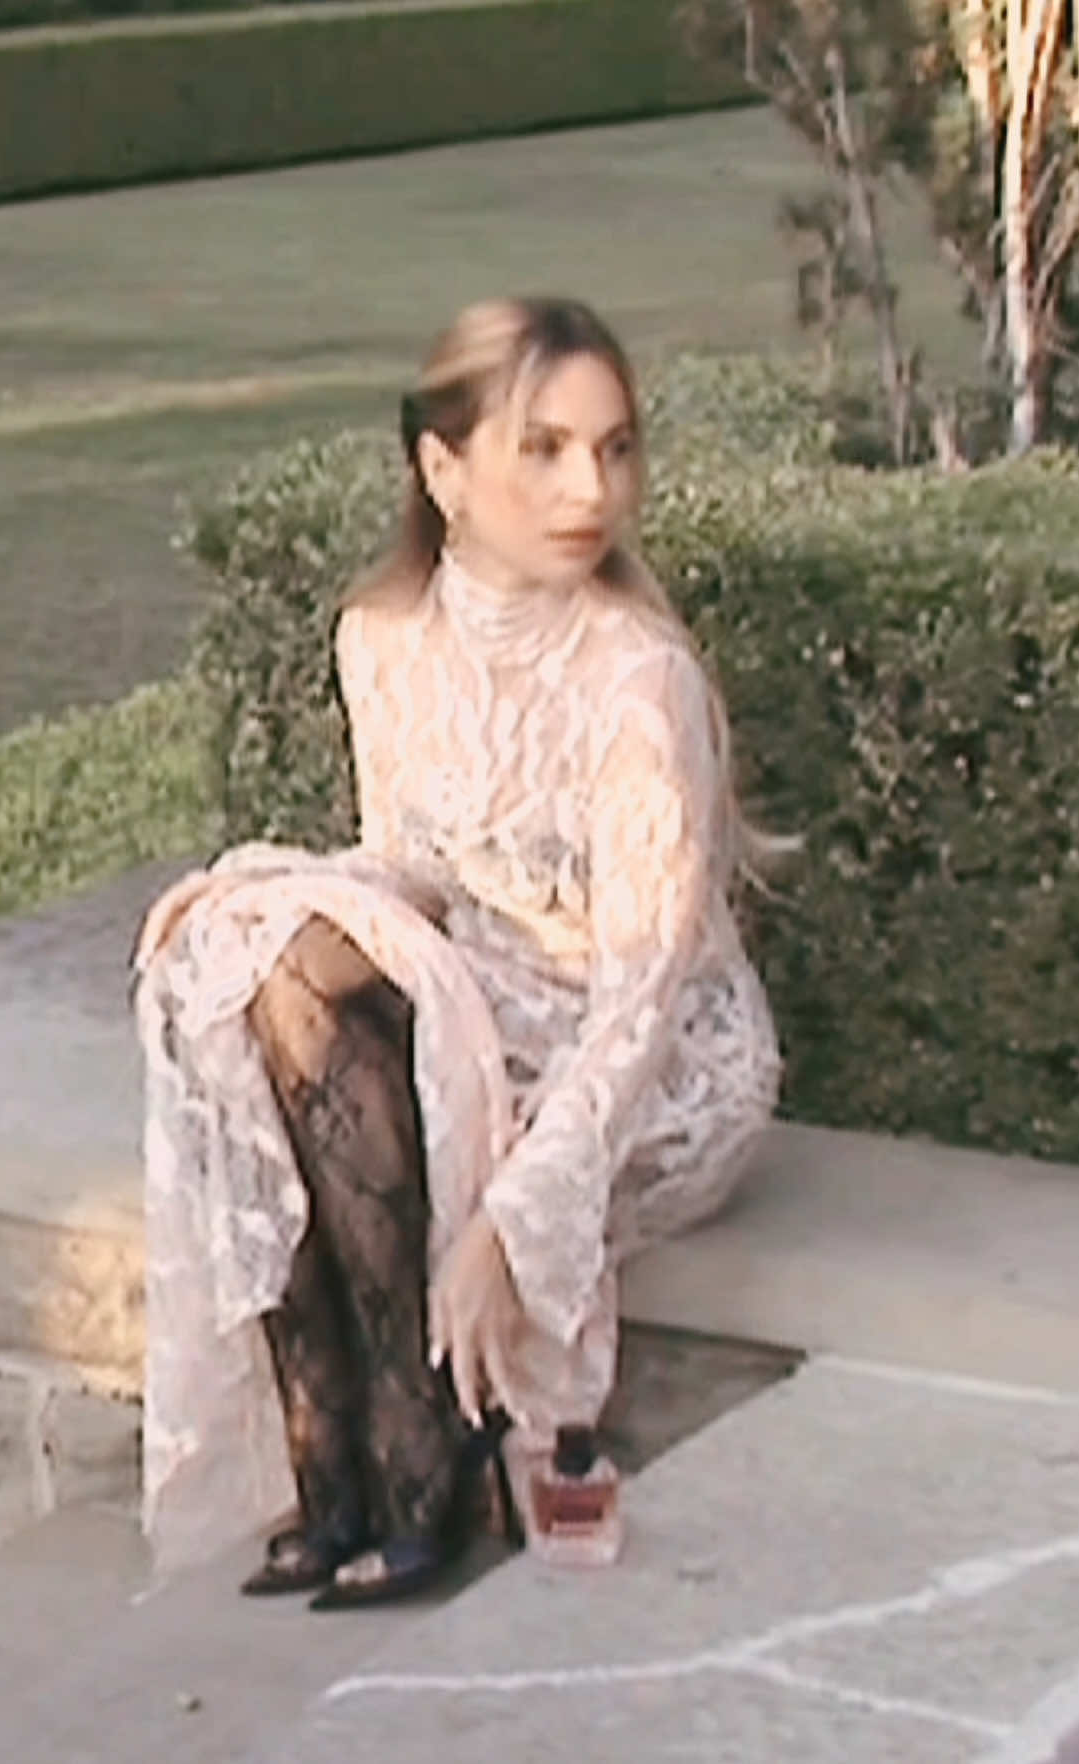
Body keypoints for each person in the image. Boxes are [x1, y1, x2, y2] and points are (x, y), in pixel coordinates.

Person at [130, 296, 782, 1611]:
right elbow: (408, 876)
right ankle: (349, 1443)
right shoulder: (378, 639)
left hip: (648, 1067)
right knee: (253, 962)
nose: (588, 489)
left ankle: (400, 1446)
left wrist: (506, 1225)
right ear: (442, 469)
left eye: (612, 448)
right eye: (543, 448)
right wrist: (256, 895)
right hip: (477, 999)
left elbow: (641, 1002)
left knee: (312, 1001)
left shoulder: (636, 677)